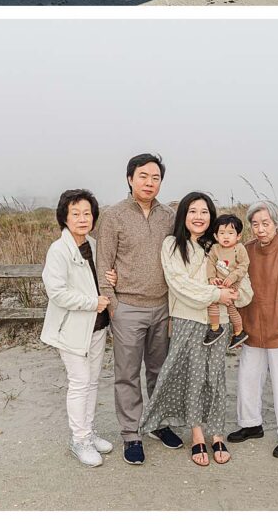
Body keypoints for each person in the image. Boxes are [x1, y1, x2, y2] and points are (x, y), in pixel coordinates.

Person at [139, 193, 253, 467]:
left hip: (221, 322)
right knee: (191, 377)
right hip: (187, 319)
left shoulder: (221, 246)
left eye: (204, 212)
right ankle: (196, 432)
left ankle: (216, 433)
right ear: (183, 216)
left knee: (214, 378)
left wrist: (233, 296)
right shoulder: (172, 245)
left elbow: (245, 287)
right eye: (193, 211)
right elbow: (179, 284)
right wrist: (217, 293)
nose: (199, 216)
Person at [95, 154, 182, 465]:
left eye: (155, 177)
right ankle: (131, 433)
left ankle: (158, 422)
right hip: (128, 307)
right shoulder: (113, 215)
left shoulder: (169, 216)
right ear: (130, 178)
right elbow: (103, 262)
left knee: (160, 370)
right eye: (143, 176)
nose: (149, 182)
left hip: (163, 306)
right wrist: (114, 305)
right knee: (128, 374)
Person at [40, 188, 112, 467]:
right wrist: (91, 302)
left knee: (93, 381)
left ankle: (89, 433)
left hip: (97, 327)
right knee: (79, 383)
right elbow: (56, 292)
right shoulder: (59, 250)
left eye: (87, 213)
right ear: (65, 217)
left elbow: (100, 277)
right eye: (76, 214)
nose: (82, 218)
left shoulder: (93, 245)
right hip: (71, 329)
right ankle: (78, 440)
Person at [227, 200, 278, 458]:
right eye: (255, 224)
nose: (260, 229)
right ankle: (250, 425)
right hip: (251, 329)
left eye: (266, 223)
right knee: (247, 380)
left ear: (276, 223)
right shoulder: (245, 250)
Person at [204, 213, 250, 349]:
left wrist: (232, 277)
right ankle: (217, 328)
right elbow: (210, 264)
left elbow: (244, 265)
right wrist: (212, 278)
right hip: (220, 282)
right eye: (222, 233)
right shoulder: (215, 248)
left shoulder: (239, 249)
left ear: (238, 236)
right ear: (216, 236)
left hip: (233, 282)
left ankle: (237, 331)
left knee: (230, 306)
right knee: (213, 301)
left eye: (230, 233)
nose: (226, 236)